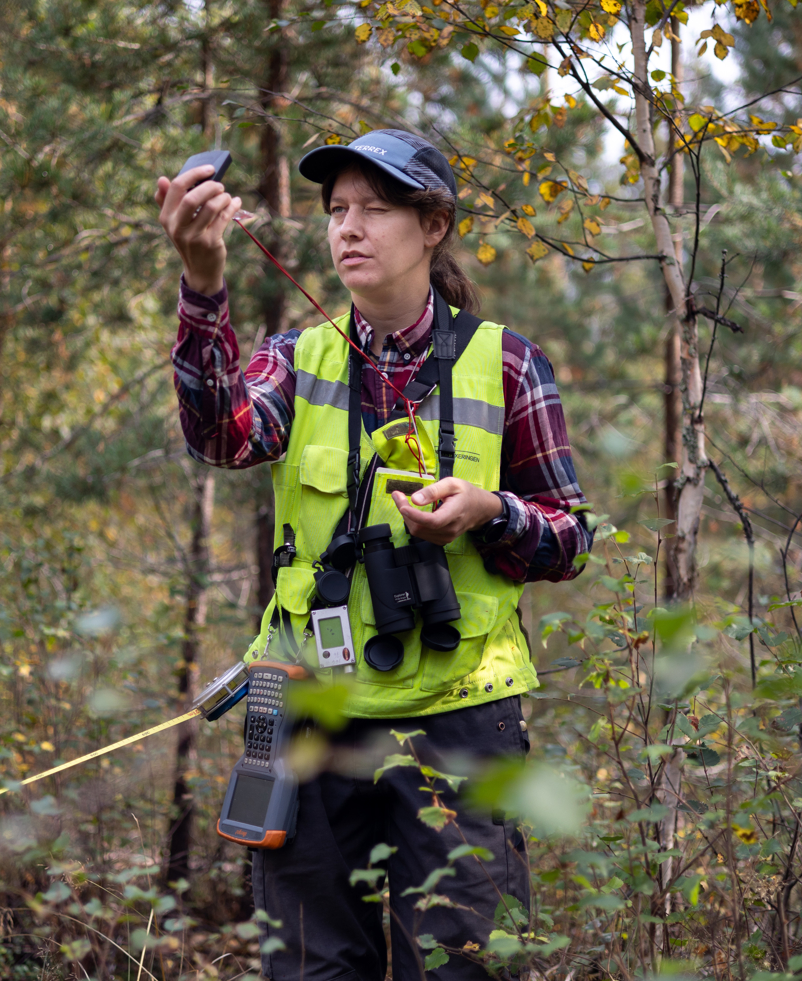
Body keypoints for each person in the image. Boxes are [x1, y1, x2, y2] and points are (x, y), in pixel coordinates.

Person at [156, 130, 592, 981]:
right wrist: (203, 281)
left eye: (375, 209)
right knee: (309, 967)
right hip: (298, 705)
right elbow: (218, 434)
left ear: (433, 226)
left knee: (463, 965)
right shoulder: (296, 359)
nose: (347, 228)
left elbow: (570, 539)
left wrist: (489, 511)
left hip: (460, 714)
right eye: (336, 211)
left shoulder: (507, 363)